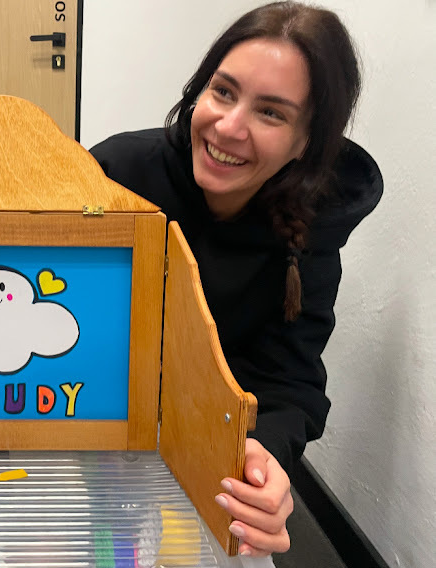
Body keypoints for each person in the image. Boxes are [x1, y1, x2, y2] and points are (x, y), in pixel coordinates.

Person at [90, 1, 383, 558]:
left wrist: (266, 459)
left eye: (270, 112)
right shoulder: (114, 173)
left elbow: (289, 382)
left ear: (306, 142)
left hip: (206, 449)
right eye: (223, 92)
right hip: (84, 419)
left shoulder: (311, 232)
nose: (228, 126)